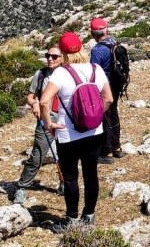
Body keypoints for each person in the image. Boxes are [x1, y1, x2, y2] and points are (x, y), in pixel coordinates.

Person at [39, 31, 114, 233]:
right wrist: (96, 117)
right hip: (94, 132)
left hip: (67, 134)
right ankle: (88, 216)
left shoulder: (61, 73)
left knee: (71, 177)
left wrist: (49, 124)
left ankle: (71, 219)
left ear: (62, 52)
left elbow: (44, 101)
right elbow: (108, 99)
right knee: (91, 174)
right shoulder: (95, 69)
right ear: (81, 48)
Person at [13, 46, 64, 205]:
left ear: (63, 58)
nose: (50, 59)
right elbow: (30, 96)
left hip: (64, 120)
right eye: (48, 55)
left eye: (54, 57)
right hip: (45, 118)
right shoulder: (40, 74)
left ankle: (64, 183)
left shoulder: (69, 74)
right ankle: (21, 187)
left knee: (64, 155)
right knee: (38, 154)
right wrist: (34, 104)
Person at [88, 17, 122, 163]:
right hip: (117, 84)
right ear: (106, 30)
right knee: (113, 113)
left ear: (93, 33)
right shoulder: (114, 43)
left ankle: (106, 149)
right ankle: (117, 147)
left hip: (104, 86)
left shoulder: (98, 50)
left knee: (104, 116)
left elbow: (93, 70)